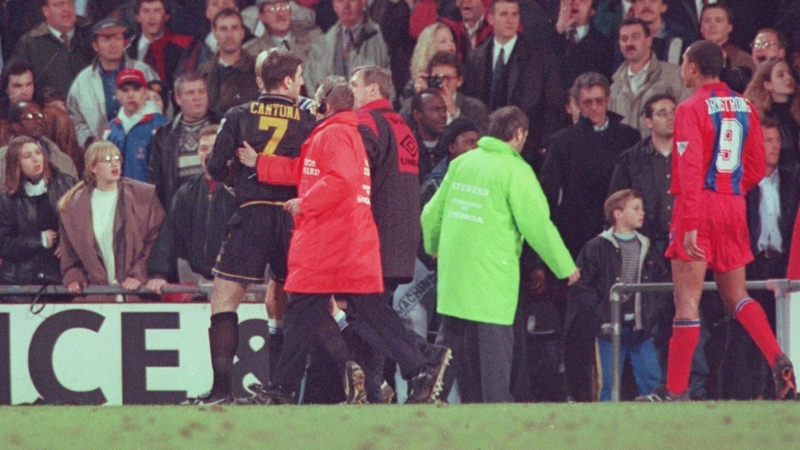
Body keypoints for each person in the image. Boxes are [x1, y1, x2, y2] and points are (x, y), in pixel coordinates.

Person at [241, 77, 453, 405]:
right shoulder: (339, 133)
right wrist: (262, 164)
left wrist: (305, 203)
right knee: (361, 312)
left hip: (330, 242)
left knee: (306, 313)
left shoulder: (335, 133)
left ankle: (282, 389)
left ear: (324, 103)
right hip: (345, 241)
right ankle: (420, 364)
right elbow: (306, 171)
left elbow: (342, 180)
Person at [638, 40, 796, 402]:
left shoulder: (690, 108)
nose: (682, 68)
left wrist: (692, 221)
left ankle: (675, 389)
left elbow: (690, 169)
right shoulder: (745, 105)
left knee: (687, 299)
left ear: (693, 67)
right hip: (733, 205)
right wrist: (732, 189)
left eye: (683, 62)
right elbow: (756, 166)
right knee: (737, 295)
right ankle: (778, 358)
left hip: (698, 207)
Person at [421, 105, 579, 403]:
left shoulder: (462, 163)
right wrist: (565, 267)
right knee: (495, 354)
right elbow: (538, 226)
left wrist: (433, 247)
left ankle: (426, 401)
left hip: (455, 273)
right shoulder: (516, 170)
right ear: (518, 134)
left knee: (447, 348)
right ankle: (496, 409)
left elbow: (431, 214)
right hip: (491, 276)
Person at [186, 49, 315, 405]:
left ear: (261, 81)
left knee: (225, 300)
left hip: (252, 212)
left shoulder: (239, 115)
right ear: (287, 81)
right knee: (292, 302)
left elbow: (215, 167)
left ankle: (221, 391)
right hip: (292, 217)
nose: (302, 83)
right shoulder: (309, 119)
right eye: (299, 76)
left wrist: (236, 175)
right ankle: (281, 389)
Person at [719, 116, 800, 400]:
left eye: (777, 140)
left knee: (784, 334)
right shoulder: (741, 183)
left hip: (783, 266)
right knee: (742, 337)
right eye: (767, 141)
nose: (774, 146)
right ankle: (735, 397)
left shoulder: (793, 180)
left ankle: (783, 394)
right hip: (750, 267)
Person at [569, 189, 667, 401]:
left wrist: (652, 311)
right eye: (636, 208)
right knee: (609, 384)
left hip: (641, 327)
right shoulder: (596, 247)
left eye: (642, 208)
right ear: (618, 214)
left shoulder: (647, 246)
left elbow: (660, 283)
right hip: (609, 328)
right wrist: (601, 312)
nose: (642, 213)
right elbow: (581, 285)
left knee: (651, 380)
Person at [58, 140, 165, 303]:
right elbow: (70, 254)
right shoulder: (72, 206)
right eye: (107, 160)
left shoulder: (143, 196)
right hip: (97, 297)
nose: (114, 164)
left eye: (117, 159)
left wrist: (138, 274)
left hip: (136, 293)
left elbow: (156, 240)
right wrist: (75, 278)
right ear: (93, 167)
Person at [463, 0, 563, 169]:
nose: (510, 20)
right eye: (504, 14)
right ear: (491, 18)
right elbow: (471, 102)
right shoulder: (476, 57)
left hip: (527, 151)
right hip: (485, 149)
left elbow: (553, 105)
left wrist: (543, 145)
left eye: (514, 14)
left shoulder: (541, 58)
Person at [146, 125, 236, 291]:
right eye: (203, 148)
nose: (208, 153)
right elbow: (169, 233)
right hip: (194, 279)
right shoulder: (186, 192)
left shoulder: (241, 189)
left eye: (214, 147)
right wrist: (158, 273)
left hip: (235, 278)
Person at [0, 136, 77, 302]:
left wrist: (69, 243)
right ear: (16, 164)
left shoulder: (67, 185)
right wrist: (39, 240)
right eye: (27, 156)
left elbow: (83, 226)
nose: (36, 159)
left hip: (61, 279)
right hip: (21, 282)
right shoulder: (7, 199)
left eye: (38, 153)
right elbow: (4, 244)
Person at [66, 18, 159, 149]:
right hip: (101, 153)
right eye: (106, 39)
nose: (113, 44)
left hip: (143, 149)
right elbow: (74, 120)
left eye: (117, 39)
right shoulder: (82, 81)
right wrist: (90, 141)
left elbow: (163, 108)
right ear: (95, 46)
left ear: (124, 43)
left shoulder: (143, 71)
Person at [609, 17, 691, 138]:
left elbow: (687, 120)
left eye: (635, 37)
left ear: (649, 40)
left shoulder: (675, 76)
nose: (629, 43)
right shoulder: (615, 87)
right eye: (624, 39)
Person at [149, 73, 219, 208]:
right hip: (180, 209)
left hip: (218, 206)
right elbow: (156, 180)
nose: (197, 97)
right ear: (178, 98)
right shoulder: (164, 135)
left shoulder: (225, 124)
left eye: (201, 92)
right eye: (190, 93)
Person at [302, 0, 391, 95]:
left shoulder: (382, 37)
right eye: (340, 1)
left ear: (363, 2)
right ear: (334, 5)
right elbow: (311, 83)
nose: (346, 6)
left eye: (352, 0)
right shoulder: (320, 45)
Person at [12, 0, 94, 97]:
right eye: (59, 4)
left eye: (70, 3)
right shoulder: (29, 44)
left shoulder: (91, 34)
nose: (67, 9)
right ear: (45, 11)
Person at [103, 68, 170, 182]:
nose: (130, 95)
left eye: (136, 89)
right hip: (117, 191)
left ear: (145, 93)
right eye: (125, 90)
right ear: (117, 94)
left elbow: (168, 170)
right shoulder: (110, 128)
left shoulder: (161, 125)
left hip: (151, 192)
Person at [198, 8, 260, 119]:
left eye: (234, 28)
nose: (229, 35)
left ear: (242, 32)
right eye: (223, 29)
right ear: (214, 33)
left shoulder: (258, 69)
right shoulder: (202, 72)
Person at [0, 102, 78, 186]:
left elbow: (75, 191)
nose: (39, 121)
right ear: (16, 126)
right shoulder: (2, 158)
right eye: (30, 117)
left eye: (40, 116)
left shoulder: (63, 160)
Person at [125, 0, 193, 94]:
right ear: (138, 17)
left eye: (157, 11)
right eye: (146, 11)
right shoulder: (126, 47)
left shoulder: (184, 46)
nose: (151, 17)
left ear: (166, 16)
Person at [743, 58, 800, 169]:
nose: (788, 77)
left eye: (789, 73)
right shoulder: (759, 116)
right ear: (767, 84)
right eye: (780, 75)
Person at [553, 0, 614, 92]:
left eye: (583, 0)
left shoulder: (604, 45)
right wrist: (558, 30)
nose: (575, 2)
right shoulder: (544, 34)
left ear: (592, 11)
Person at [242, 0, 322, 61]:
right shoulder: (252, 53)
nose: (280, 14)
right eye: (272, 10)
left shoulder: (313, 37)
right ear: (261, 17)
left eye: (284, 7)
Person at [699, 3, 754, 71]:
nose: (712, 26)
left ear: (729, 27)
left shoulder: (744, 60)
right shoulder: (692, 59)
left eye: (718, 21)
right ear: (701, 28)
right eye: (707, 21)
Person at [411, 90, 448, 183]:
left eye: (444, 109)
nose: (443, 115)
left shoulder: (451, 148)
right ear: (417, 115)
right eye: (435, 109)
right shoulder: (406, 149)